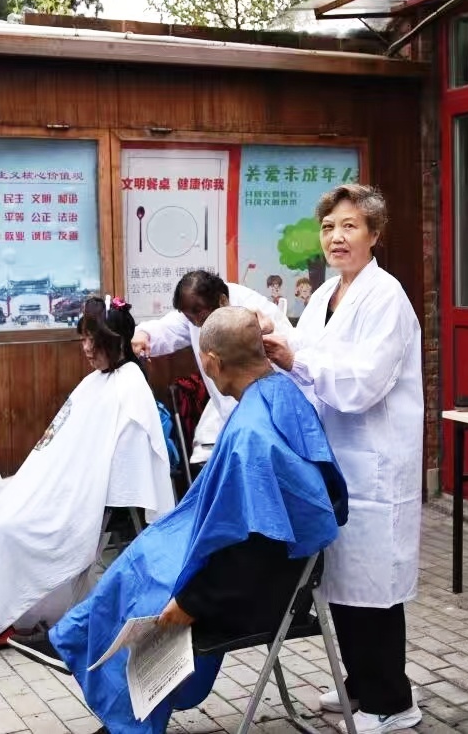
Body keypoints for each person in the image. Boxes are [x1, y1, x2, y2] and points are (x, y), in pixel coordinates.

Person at [44, 307, 348, 734]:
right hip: (269, 562)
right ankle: (83, 647)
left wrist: (192, 602)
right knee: (138, 563)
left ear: (212, 362)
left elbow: (255, 548)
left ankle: (127, 720)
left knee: (146, 600)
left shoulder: (251, 434)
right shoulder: (281, 391)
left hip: (262, 584)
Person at [0, 296, 176, 650]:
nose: (85, 348)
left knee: (10, 532)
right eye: (83, 338)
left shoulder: (130, 386)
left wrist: (89, 494)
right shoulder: (97, 382)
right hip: (60, 488)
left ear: (115, 342)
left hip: (81, 499)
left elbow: (128, 464)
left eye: (93, 340)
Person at [263, 184, 424, 734]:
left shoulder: (387, 297)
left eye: (350, 225)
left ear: (374, 234)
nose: (337, 236)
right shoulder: (328, 294)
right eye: (329, 226)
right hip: (337, 460)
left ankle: (393, 701)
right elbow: (308, 356)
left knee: (376, 589)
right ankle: (359, 683)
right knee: (345, 582)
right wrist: (280, 346)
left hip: (376, 460)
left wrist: (296, 361)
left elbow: (364, 381)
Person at [134, 270, 290, 463]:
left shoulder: (253, 312)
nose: (197, 324)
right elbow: (167, 328)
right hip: (238, 420)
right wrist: (144, 335)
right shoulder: (196, 312)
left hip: (269, 416)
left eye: (201, 318)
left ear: (223, 301)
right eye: (192, 320)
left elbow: (289, 353)